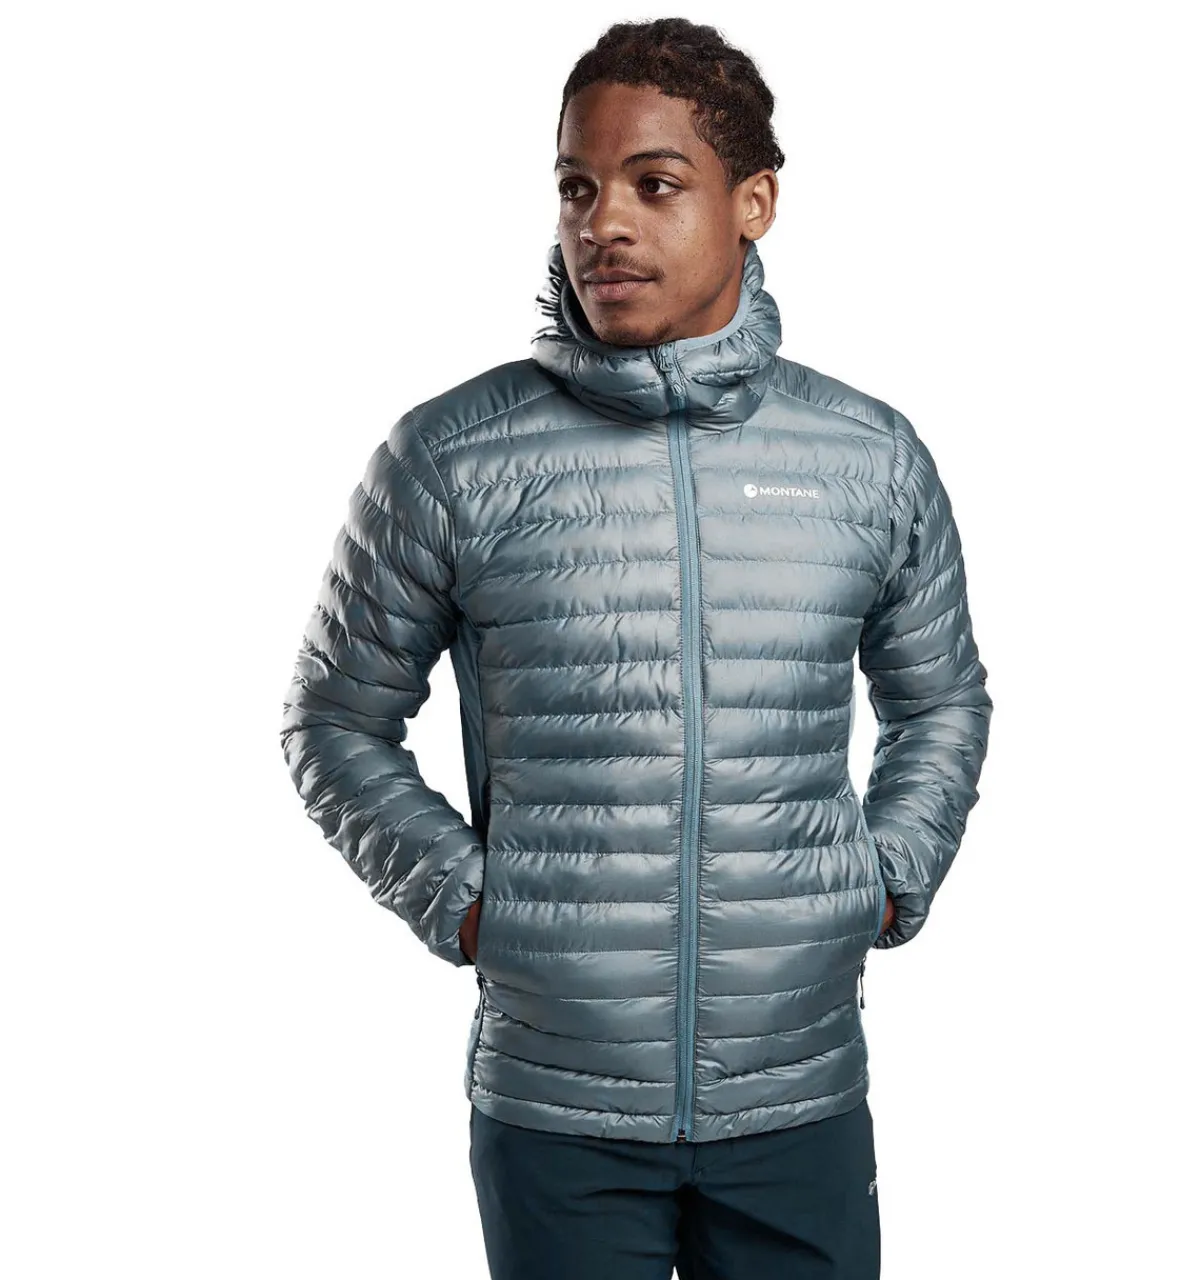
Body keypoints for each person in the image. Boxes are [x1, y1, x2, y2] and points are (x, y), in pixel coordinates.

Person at [280, 17, 993, 1279]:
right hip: (555, 1105)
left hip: (797, 1087)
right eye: (576, 185)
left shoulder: (866, 457)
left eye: (653, 185)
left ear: (753, 201)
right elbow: (333, 719)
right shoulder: (451, 457)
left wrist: (885, 874)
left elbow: (938, 698)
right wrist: (466, 900)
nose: (600, 221)